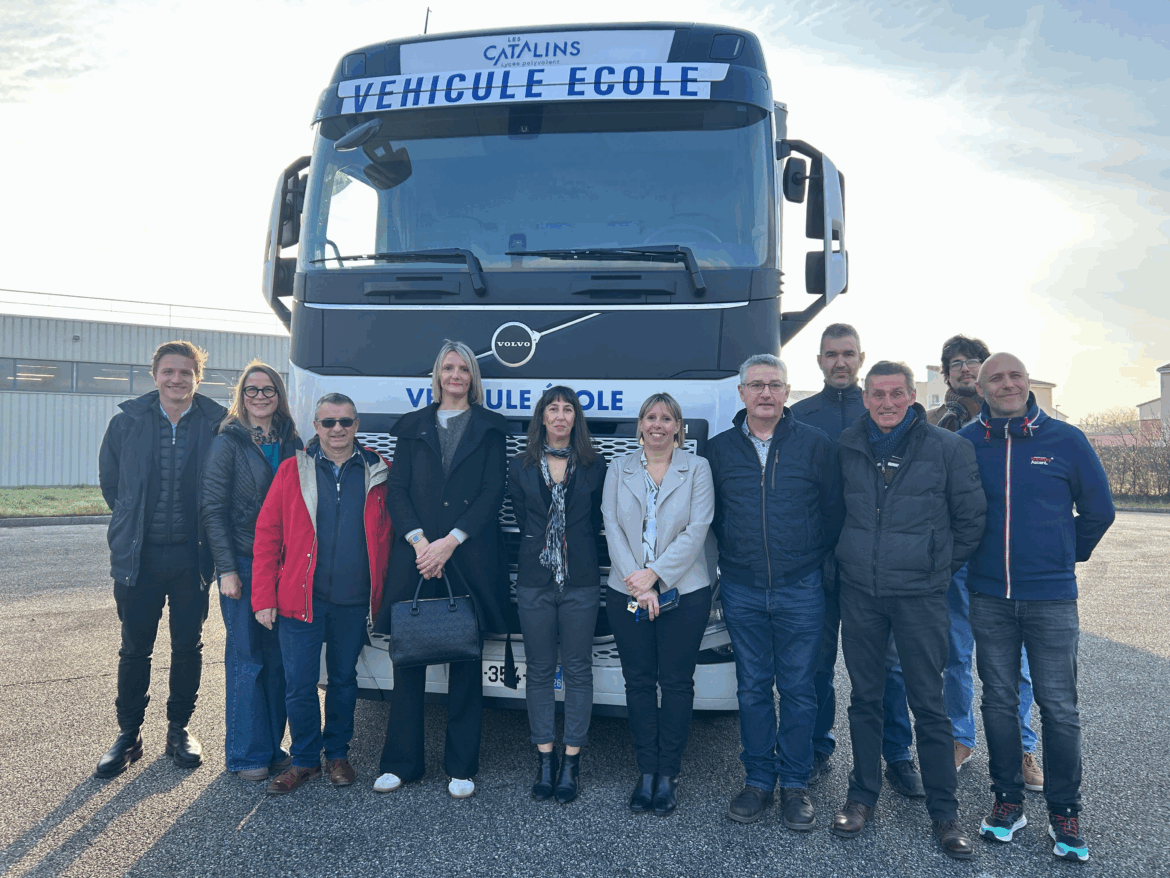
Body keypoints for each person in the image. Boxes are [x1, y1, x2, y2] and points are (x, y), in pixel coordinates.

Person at [960, 353, 1114, 863]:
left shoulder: (1065, 439)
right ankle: (1007, 802)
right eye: (996, 378)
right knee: (998, 702)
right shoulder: (966, 443)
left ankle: (1064, 812)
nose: (1007, 384)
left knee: (1059, 708)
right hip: (988, 596)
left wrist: (1061, 554)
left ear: (1027, 383)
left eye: (1015, 376)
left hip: (1050, 598)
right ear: (980, 388)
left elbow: (1099, 509)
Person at [831, 361, 985, 860]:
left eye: (897, 393)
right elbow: (835, 514)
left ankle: (945, 814)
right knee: (865, 699)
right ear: (865, 398)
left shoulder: (948, 448)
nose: (887, 403)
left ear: (912, 395)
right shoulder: (848, 447)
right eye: (878, 394)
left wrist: (936, 570)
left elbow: (971, 519)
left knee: (928, 705)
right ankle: (861, 797)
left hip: (920, 596)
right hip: (861, 594)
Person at [706, 354, 844, 829]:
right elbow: (712, 518)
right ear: (742, 393)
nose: (766, 393)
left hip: (801, 588)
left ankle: (796, 785)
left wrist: (811, 566)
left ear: (788, 393)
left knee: (801, 690)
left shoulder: (815, 445)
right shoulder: (719, 450)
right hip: (742, 588)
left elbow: (833, 514)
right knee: (752, 689)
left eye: (775, 385)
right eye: (756, 385)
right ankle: (759, 781)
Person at [791, 324, 924, 799]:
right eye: (832, 354)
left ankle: (899, 754)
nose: (840, 362)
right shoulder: (799, 417)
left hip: (878, 569)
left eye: (848, 353)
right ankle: (815, 748)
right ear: (820, 360)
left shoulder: (885, 417)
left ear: (861, 357)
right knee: (816, 666)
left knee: (888, 669)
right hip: (820, 568)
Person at [373, 340, 509, 799]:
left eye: (463, 369)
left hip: (466, 558)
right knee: (407, 662)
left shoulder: (491, 428)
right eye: (448, 368)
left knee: (465, 661)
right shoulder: (412, 427)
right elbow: (398, 491)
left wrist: (450, 542)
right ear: (437, 375)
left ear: (472, 377)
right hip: (416, 558)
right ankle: (401, 763)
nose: (455, 375)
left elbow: (493, 494)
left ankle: (461, 766)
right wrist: (420, 543)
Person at [95, 340, 226, 778]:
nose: (177, 379)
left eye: (186, 372)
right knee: (135, 649)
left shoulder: (216, 424)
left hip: (193, 559)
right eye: (168, 372)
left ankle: (179, 729)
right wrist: (133, 526)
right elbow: (113, 487)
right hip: (140, 559)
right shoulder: (127, 424)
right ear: (155, 375)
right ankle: (129, 734)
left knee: (188, 647)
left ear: (197, 377)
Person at [251, 392, 392, 795]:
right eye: (328, 422)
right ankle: (305, 760)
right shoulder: (292, 471)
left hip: (353, 600)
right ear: (315, 427)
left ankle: (338, 754)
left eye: (345, 422)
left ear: (356, 425)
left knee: (345, 680)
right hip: (301, 599)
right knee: (298, 683)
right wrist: (263, 597)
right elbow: (267, 536)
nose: (337, 430)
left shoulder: (378, 472)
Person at [928, 335, 1042, 789]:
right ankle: (961, 737)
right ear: (946, 374)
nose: (965, 369)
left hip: (1003, 557)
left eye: (974, 361)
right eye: (956, 364)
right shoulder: (934, 422)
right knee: (955, 652)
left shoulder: (1005, 416)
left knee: (1015, 660)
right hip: (955, 557)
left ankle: (1023, 745)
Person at [603, 392, 717, 817]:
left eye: (666, 418)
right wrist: (639, 582)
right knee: (637, 681)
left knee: (674, 683)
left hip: (684, 592)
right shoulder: (619, 467)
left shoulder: (698, 468)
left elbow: (697, 528)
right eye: (651, 417)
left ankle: (668, 773)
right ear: (640, 425)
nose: (658, 424)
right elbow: (611, 526)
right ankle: (645, 771)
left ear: (678, 427)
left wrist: (655, 576)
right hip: (627, 590)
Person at [200, 361, 302, 781]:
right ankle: (245, 755)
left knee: (279, 662)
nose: (260, 397)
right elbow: (212, 510)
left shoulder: (292, 441)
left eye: (269, 390)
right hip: (242, 563)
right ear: (241, 396)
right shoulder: (229, 443)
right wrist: (226, 570)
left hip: (283, 567)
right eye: (252, 390)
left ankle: (271, 747)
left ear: (279, 396)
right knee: (247, 659)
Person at [508, 386, 605, 804]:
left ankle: (571, 761)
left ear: (575, 419)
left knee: (579, 669)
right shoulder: (520, 466)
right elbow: (520, 513)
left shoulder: (596, 466)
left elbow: (600, 519)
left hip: (581, 580)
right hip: (534, 579)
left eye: (568, 409)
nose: (561, 415)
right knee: (541, 669)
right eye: (554, 409)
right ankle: (545, 758)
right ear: (542, 418)